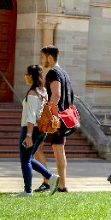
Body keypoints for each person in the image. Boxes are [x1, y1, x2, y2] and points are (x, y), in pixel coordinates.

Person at [41, 45, 74, 194]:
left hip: (56, 118)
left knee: (51, 149)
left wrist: (48, 111)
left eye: (43, 57)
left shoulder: (53, 72)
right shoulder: (64, 73)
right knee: (58, 149)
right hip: (64, 117)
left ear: (49, 57)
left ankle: (53, 182)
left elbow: (57, 94)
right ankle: (60, 184)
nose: (42, 61)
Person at [15, 65, 53, 196]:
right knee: (29, 158)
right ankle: (51, 177)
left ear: (30, 76)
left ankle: (28, 190)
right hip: (42, 130)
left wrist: (28, 135)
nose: (25, 77)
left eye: (26, 74)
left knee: (25, 160)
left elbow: (31, 116)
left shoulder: (32, 93)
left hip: (30, 129)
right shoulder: (43, 91)